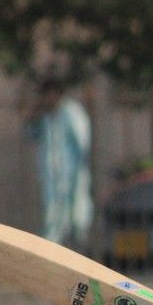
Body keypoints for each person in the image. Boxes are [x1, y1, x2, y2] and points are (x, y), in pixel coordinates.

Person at [24, 80, 93, 246]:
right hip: (51, 175)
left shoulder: (71, 113)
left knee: (76, 214)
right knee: (53, 216)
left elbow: (82, 143)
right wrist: (33, 115)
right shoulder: (46, 116)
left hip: (71, 173)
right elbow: (31, 134)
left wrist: (79, 170)